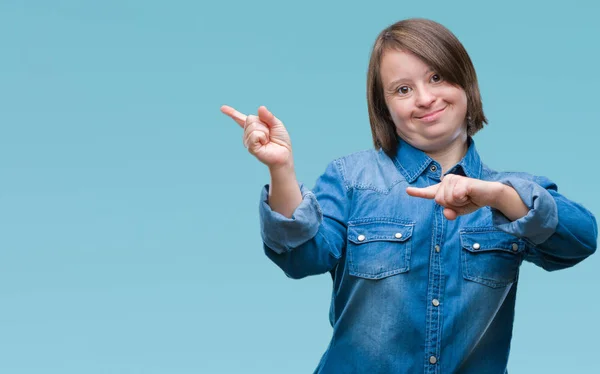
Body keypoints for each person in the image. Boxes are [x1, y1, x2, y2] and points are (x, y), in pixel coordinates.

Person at [220, 18, 597, 374]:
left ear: (465, 82)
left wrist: (499, 197)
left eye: (437, 77)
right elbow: (301, 257)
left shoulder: (511, 193)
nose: (425, 98)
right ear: (385, 107)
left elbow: (580, 240)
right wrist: (281, 168)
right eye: (403, 89)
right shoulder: (351, 179)